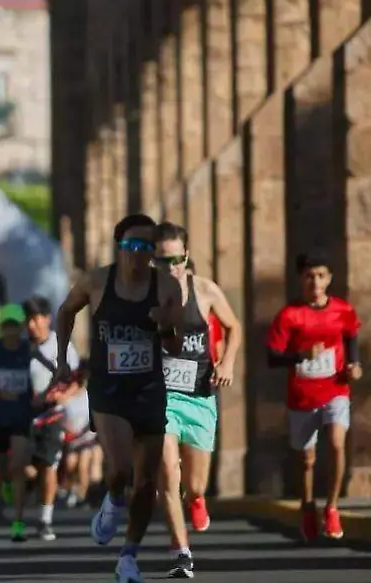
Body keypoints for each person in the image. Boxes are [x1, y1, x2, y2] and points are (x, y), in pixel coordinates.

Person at [52, 213, 184, 583]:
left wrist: (165, 326)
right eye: (131, 246)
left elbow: (175, 344)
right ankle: (112, 501)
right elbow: (65, 312)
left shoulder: (167, 288)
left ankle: (128, 555)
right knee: (122, 469)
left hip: (148, 389)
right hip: (108, 388)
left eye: (146, 247)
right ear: (119, 247)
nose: (138, 254)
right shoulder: (97, 281)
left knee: (146, 482)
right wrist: (63, 360)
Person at [151, 222, 242, 578]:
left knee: (195, 483)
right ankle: (182, 551)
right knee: (167, 473)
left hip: (200, 394)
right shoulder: (144, 295)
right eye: (162, 261)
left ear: (186, 256)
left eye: (175, 259)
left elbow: (233, 327)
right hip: (162, 397)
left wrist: (227, 361)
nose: (170, 267)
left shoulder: (205, 290)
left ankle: (199, 497)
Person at [267, 251, 362, 542]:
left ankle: (332, 507)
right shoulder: (289, 315)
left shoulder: (343, 310)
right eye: (309, 276)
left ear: (330, 279)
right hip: (302, 396)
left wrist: (354, 365)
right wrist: (300, 356)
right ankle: (307, 507)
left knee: (336, 442)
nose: (315, 282)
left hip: (335, 389)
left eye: (321, 276)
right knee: (307, 459)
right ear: (300, 279)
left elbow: (351, 336)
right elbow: (272, 357)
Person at [0, 304, 39, 542]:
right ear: (2, 328)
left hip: (21, 415)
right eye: (7, 326)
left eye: (15, 326)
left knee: (20, 465)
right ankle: (6, 485)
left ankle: (18, 522)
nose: (11, 331)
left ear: (21, 327)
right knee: (4, 469)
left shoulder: (28, 348)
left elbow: (48, 367)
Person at [21, 296, 82, 542]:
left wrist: (62, 395)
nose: (31, 325)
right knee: (21, 468)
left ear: (47, 319)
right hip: (22, 414)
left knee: (48, 465)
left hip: (51, 414)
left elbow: (78, 378)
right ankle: (28, 492)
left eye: (36, 319)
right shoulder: (18, 347)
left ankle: (45, 519)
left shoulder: (61, 345)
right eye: (28, 320)